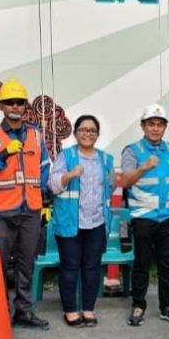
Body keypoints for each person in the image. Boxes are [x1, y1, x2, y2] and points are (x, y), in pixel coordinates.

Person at [0, 79, 52, 330]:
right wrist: (4, 154)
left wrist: (45, 201)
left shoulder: (36, 135)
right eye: (10, 103)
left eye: (19, 102)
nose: (15, 106)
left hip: (30, 210)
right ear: (2, 106)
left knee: (26, 264)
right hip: (0, 212)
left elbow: (44, 169)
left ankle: (24, 312)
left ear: (25, 106)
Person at [120, 103, 169, 327]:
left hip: (168, 216)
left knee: (167, 265)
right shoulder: (133, 151)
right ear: (143, 126)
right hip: (143, 216)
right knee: (141, 264)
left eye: (160, 125)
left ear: (165, 127)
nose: (155, 129)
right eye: (151, 124)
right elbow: (126, 181)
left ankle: (167, 306)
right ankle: (138, 305)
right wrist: (144, 168)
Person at [49, 115, 115, 327]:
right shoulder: (66, 156)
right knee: (69, 267)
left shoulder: (106, 159)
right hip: (70, 222)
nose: (88, 133)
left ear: (97, 134)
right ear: (76, 133)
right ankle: (70, 311)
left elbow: (111, 186)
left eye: (92, 130)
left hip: (96, 222)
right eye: (83, 129)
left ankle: (88, 309)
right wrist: (69, 175)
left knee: (92, 267)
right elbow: (52, 185)